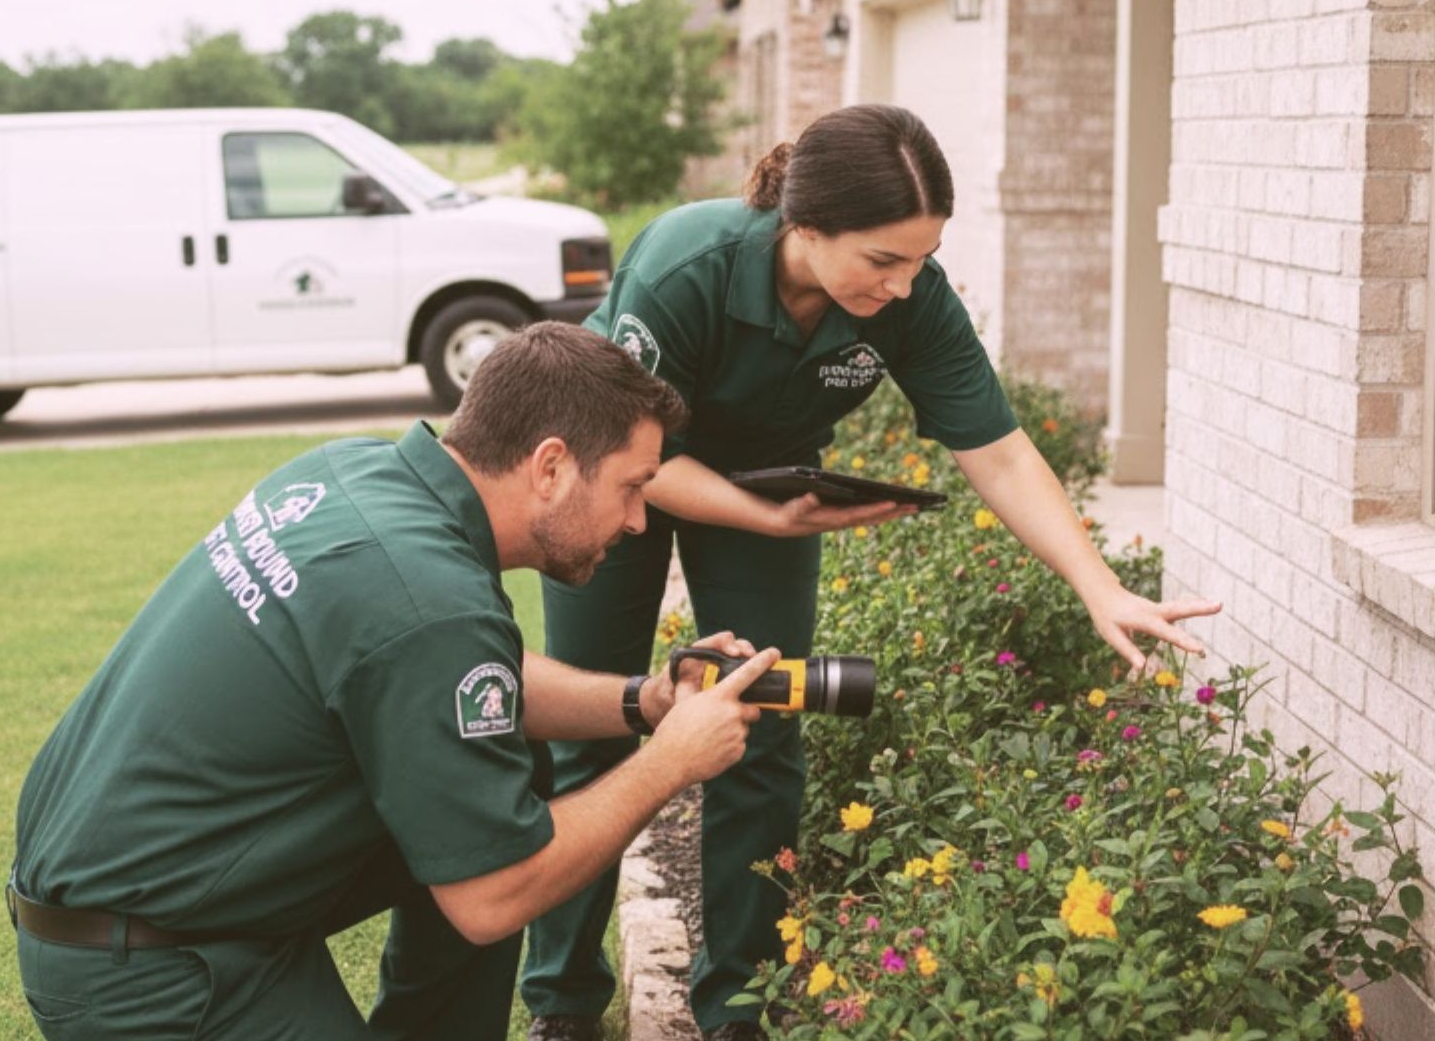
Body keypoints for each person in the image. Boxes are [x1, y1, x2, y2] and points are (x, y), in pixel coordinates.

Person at [519, 104, 1224, 1041]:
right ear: (804, 229)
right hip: (623, 477)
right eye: (883, 261)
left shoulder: (909, 299)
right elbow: (635, 451)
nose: (904, 286)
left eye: (922, 259)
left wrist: (1099, 585)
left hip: (768, 490)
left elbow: (1001, 452)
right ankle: (563, 1002)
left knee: (761, 724)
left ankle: (738, 1005)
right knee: (593, 725)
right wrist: (767, 512)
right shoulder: (687, 264)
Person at [8, 321, 787, 1041]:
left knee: (510, 776)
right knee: (499, 853)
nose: (638, 522)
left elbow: (451, 675)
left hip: (159, 893)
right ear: (550, 467)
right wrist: (671, 762)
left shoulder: (356, 473)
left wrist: (643, 703)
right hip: (151, 969)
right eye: (631, 485)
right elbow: (493, 897)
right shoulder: (430, 604)